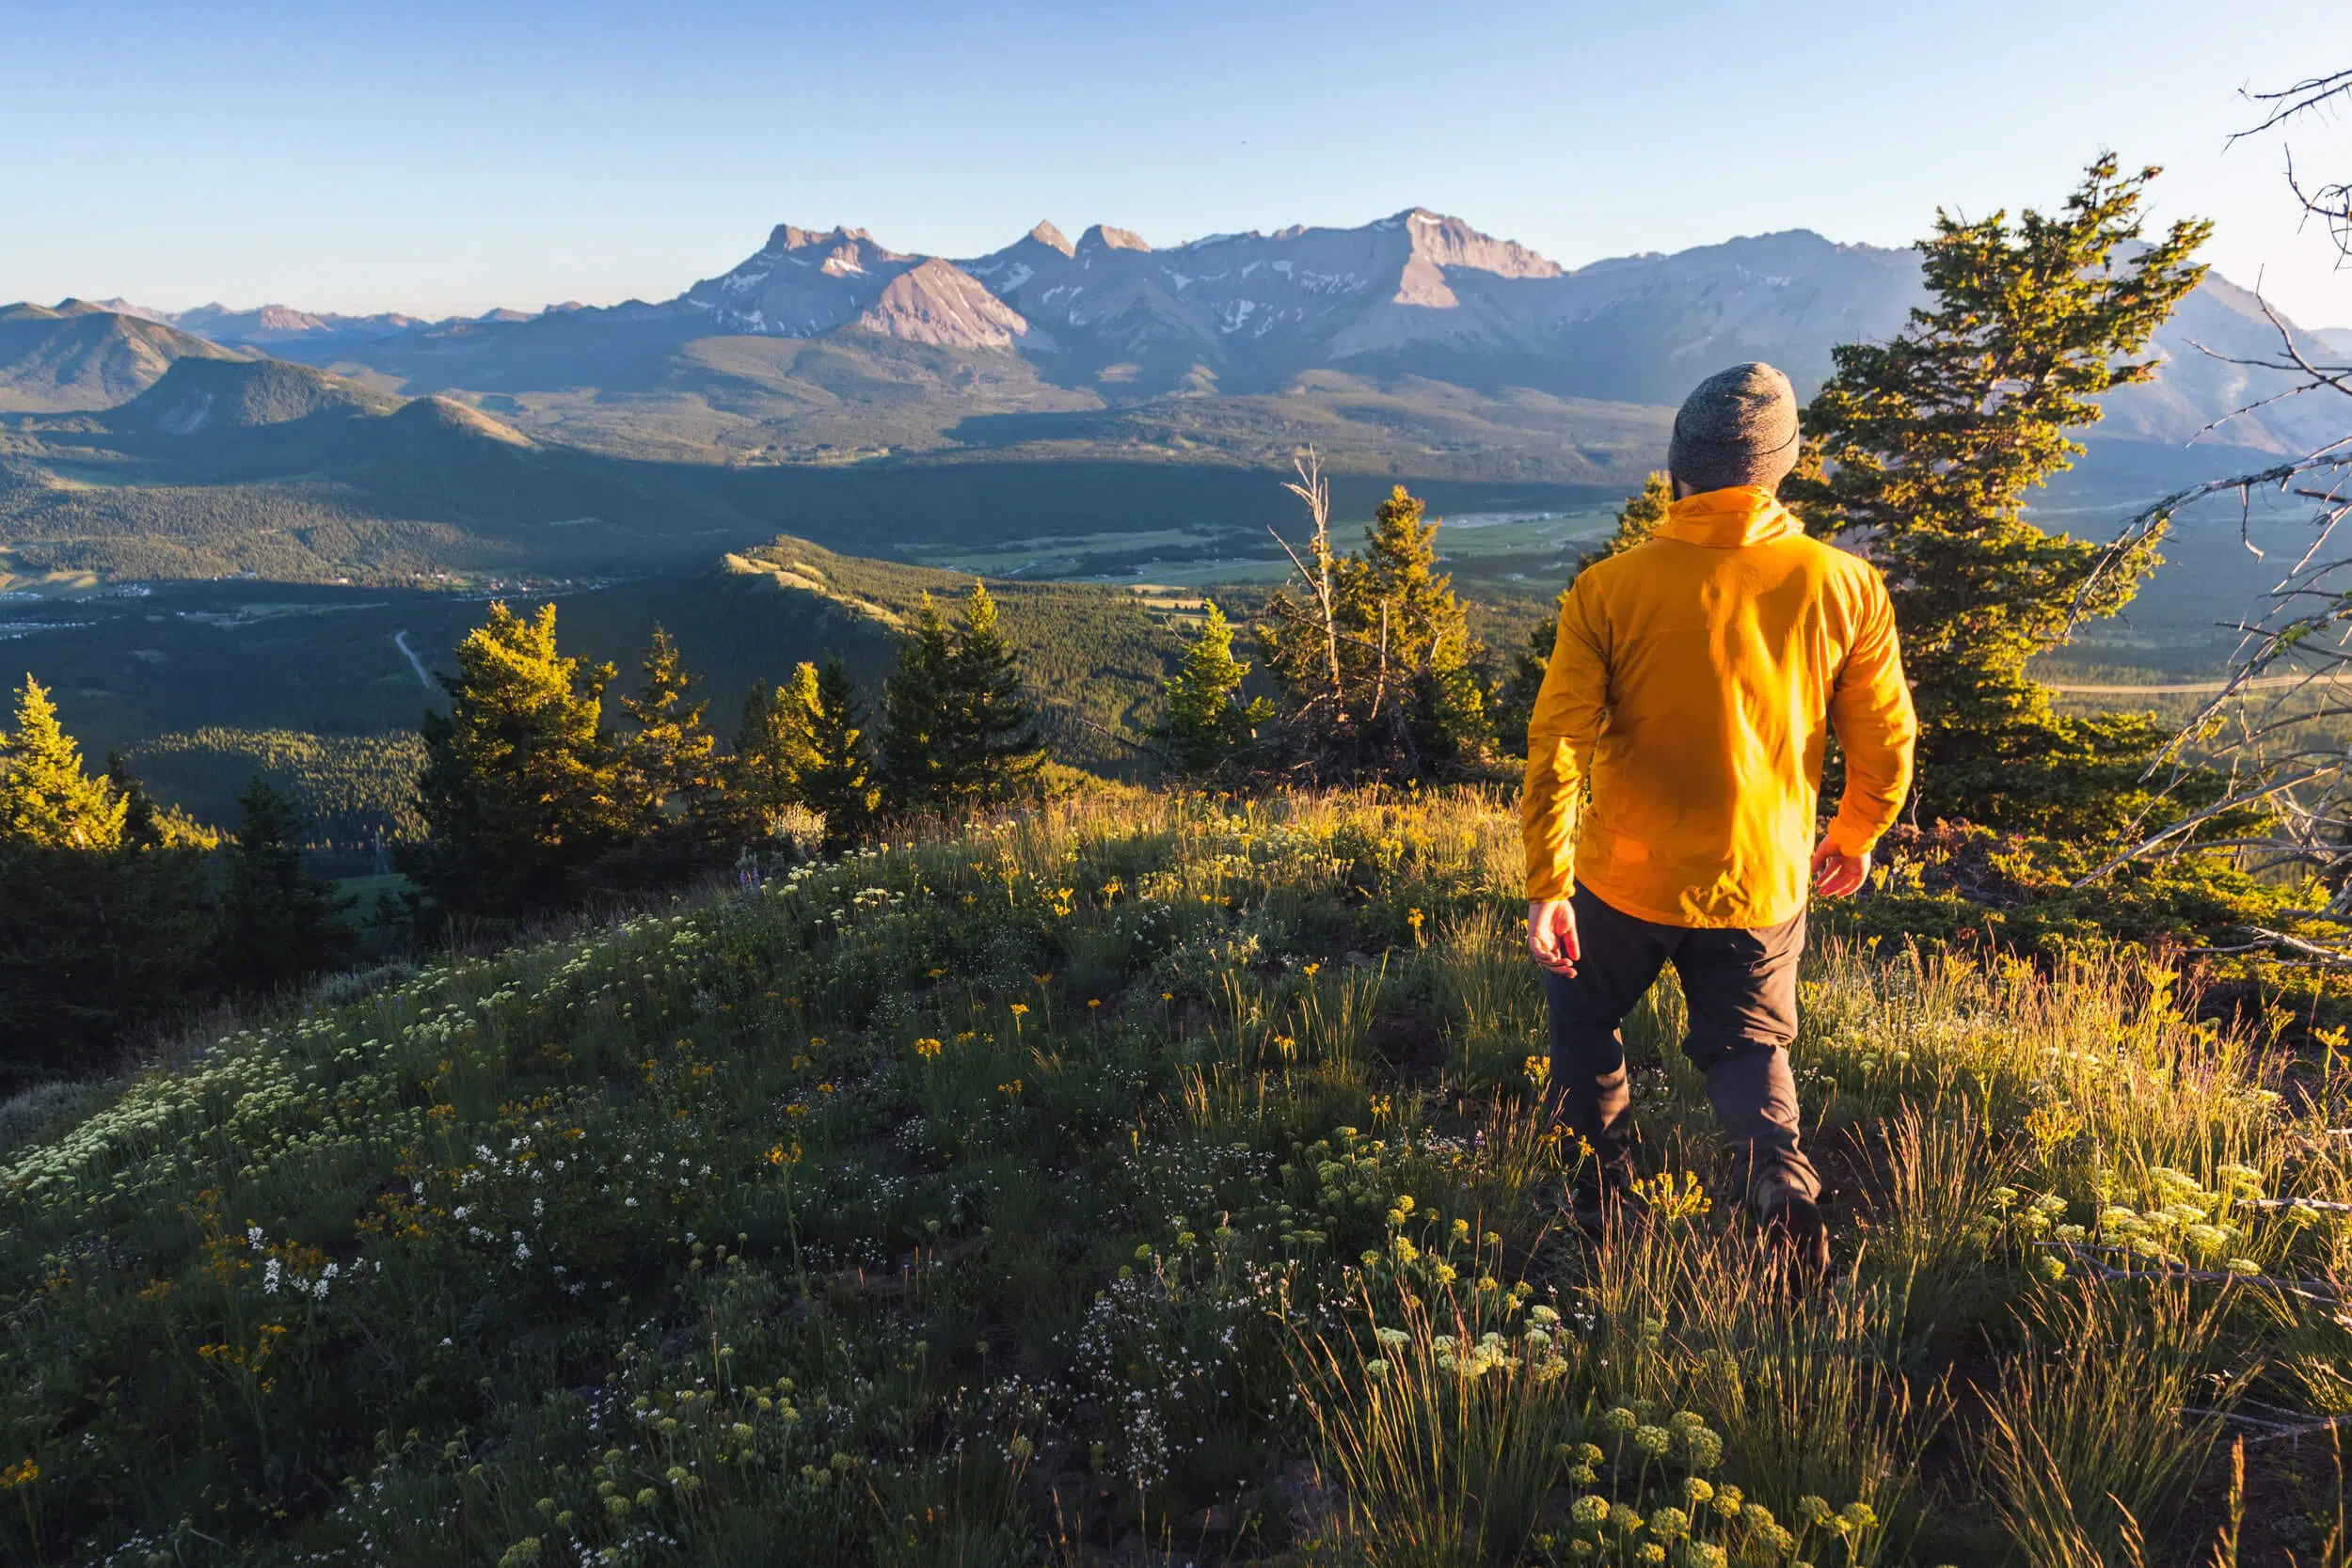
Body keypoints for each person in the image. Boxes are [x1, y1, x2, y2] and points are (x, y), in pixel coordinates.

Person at [1519, 361, 1915, 1270]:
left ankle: (1600, 1202)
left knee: (1585, 1025)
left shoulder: (1609, 590)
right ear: (1779, 472)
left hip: (1622, 877)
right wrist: (1856, 830)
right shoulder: (1846, 585)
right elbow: (1887, 734)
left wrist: (1547, 882)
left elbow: (1559, 746)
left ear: (1677, 473)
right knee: (1748, 1047)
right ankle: (1779, 1180)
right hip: (1763, 877)